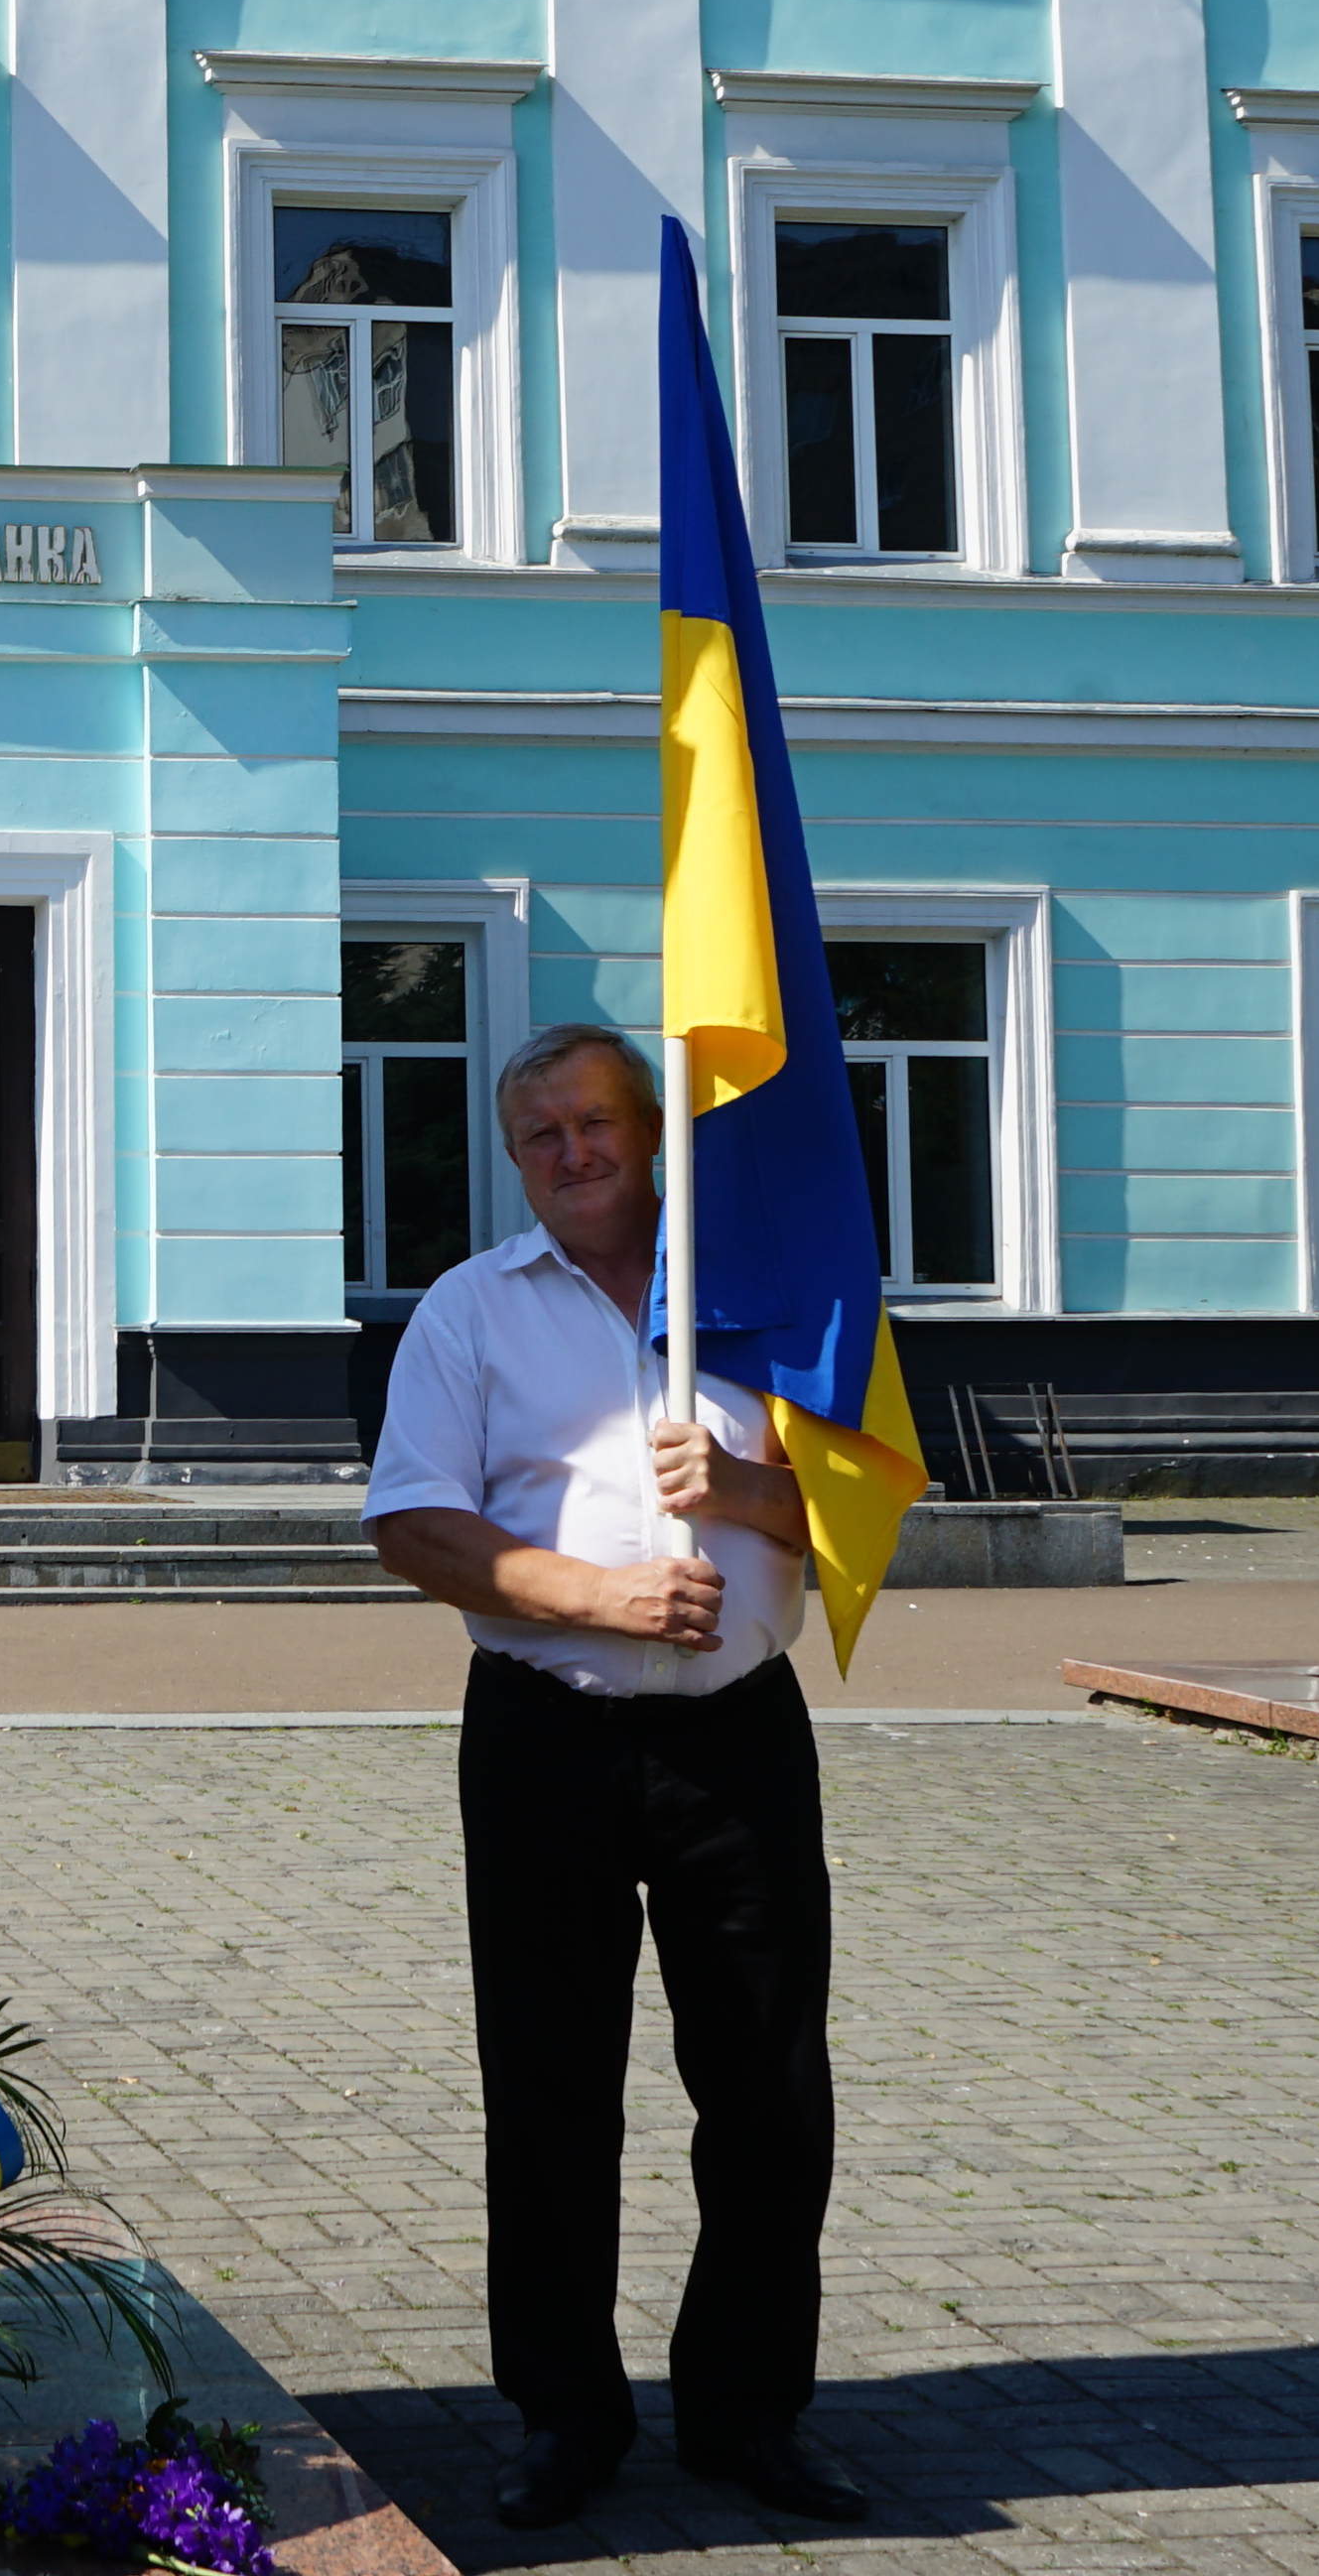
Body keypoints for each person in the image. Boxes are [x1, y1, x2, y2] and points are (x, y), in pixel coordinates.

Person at [363, 1021, 867, 2533]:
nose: (573, 1154)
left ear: (654, 1134)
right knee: (551, 2092)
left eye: (595, 1124)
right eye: (541, 1137)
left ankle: (747, 2413)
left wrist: (751, 1488)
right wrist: (600, 1599)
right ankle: (564, 2419)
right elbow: (411, 1523)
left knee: (770, 2094)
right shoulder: (468, 1313)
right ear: (516, 1160)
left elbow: (869, 1502)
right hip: (544, 1736)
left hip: (738, 1741)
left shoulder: (768, 1295)